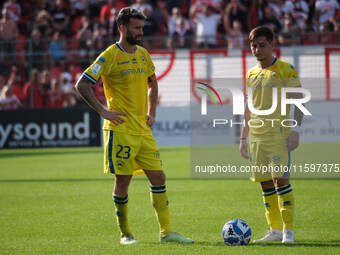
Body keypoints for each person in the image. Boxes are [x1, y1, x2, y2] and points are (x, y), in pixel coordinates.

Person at [75, 7, 194, 245]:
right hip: (120, 130)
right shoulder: (109, 55)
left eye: (142, 27)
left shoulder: (143, 54)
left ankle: (167, 232)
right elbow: (82, 84)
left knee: (159, 177)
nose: (141, 32)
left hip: (142, 129)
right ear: (122, 28)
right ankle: (126, 234)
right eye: (136, 27)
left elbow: (152, 83)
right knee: (123, 181)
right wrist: (103, 111)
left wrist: (152, 111)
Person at [239, 26, 305, 243]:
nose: (257, 50)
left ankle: (288, 231)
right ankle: (274, 231)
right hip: (256, 138)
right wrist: (243, 138)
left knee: (281, 181)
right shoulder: (251, 73)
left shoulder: (285, 69)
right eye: (253, 45)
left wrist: (295, 129)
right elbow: (249, 106)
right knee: (265, 183)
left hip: (279, 136)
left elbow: (299, 100)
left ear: (271, 44)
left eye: (261, 45)